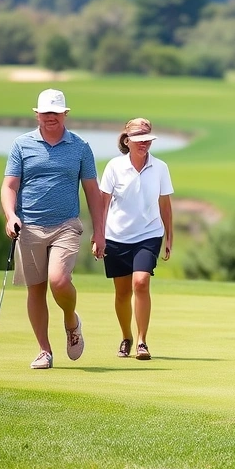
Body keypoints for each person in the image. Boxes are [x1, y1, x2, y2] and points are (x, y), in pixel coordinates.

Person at [1, 88, 106, 370]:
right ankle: (44, 351)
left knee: (59, 280)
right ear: (37, 114)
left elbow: (92, 192)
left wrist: (100, 232)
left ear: (65, 114)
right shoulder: (21, 145)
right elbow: (10, 185)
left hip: (66, 225)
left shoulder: (80, 147)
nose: (50, 117)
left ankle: (71, 320)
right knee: (36, 290)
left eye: (56, 113)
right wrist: (10, 216)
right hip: (30, 227)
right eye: (45, 112)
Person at [98, 118, 174, 361]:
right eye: (139, 140)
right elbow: (104, 203)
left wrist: (169, 237)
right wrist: (97, 235)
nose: (144, 144)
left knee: (140, 282)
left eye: (147, 139)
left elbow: (165, 204)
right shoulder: (114, 167)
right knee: (121, 293)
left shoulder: (160, 167)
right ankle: (126, 337)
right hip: (116, 236)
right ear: (127, 140)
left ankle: (142, 341)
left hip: (149, 235)